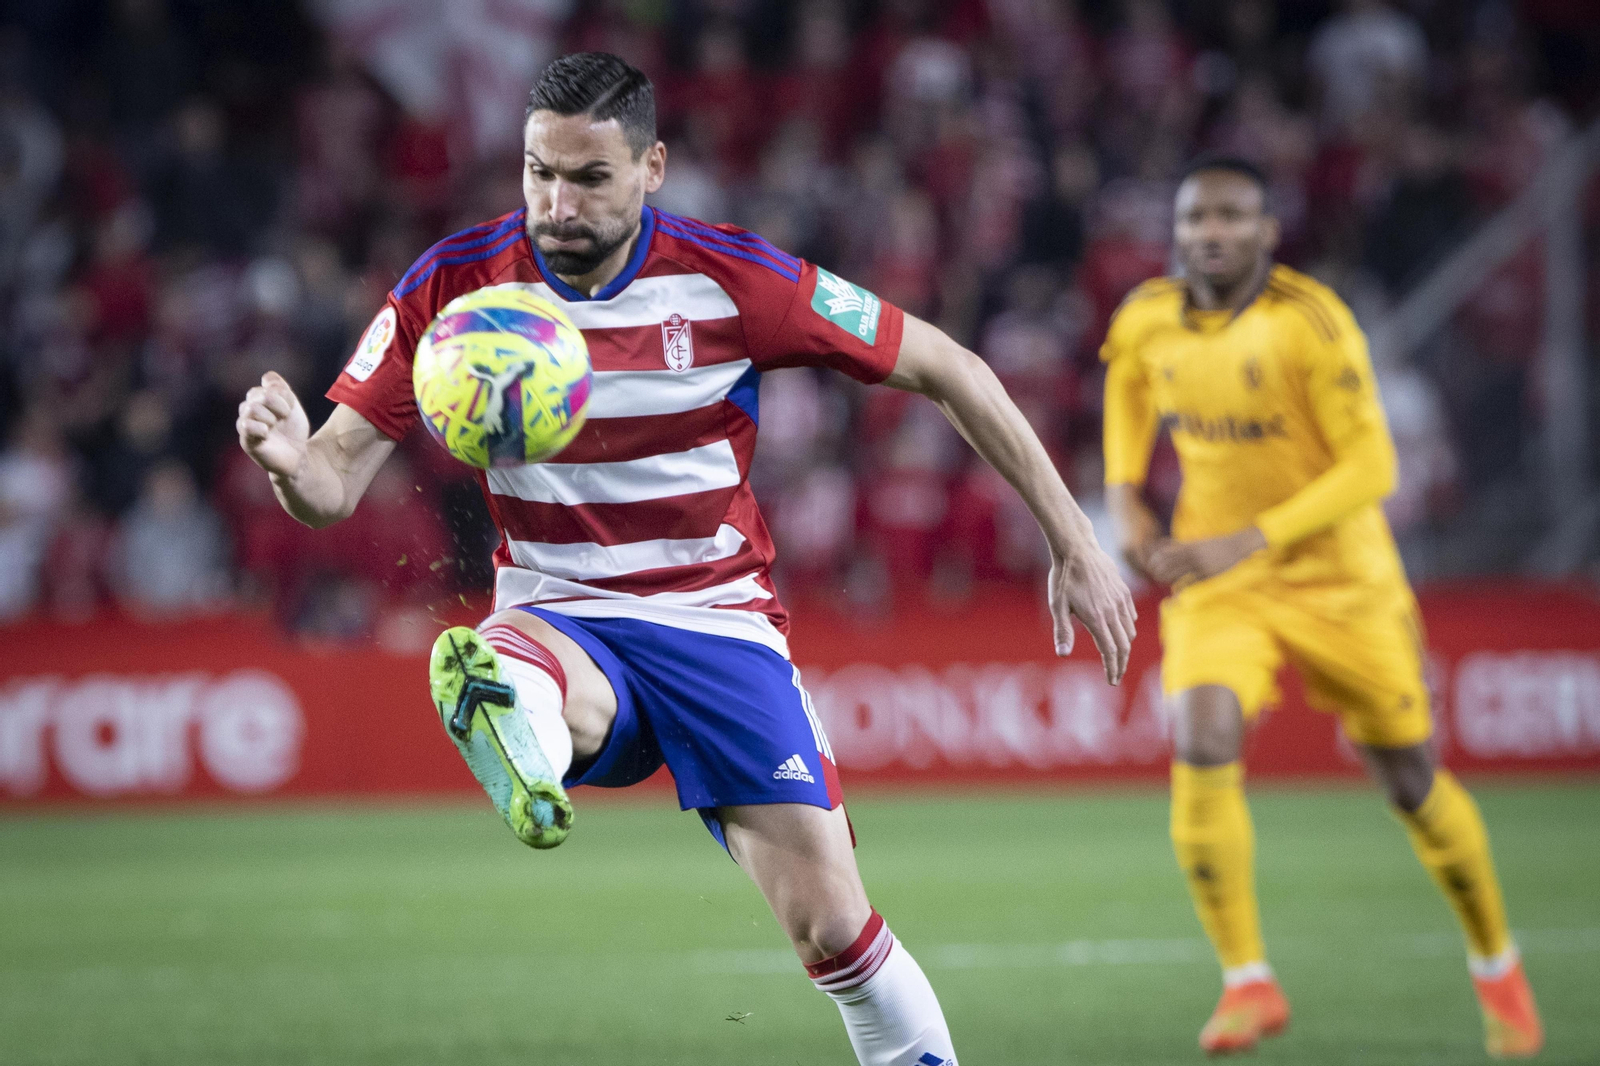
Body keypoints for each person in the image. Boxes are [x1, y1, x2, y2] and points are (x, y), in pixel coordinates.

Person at [237, 52, 1135, 1066]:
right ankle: (518, 727)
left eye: (589, 178)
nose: (556, 204)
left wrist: (1073, 538)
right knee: (518, 663)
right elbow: (329, 485)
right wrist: (288, 463)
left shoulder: (732, 279)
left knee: (832, 927)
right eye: (539, 173)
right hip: (560, 611)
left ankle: (526, 728)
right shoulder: (454, 287)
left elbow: (947, 364)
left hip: (714, 620)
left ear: (651, 168)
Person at [1100, 156, 1543, 1058]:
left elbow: (1373, 467)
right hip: (1224, 582)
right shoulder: (1146, 318)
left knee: (1409, 779)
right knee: (1201, 736)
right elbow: (1128, 397)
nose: (1210, 233)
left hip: (1342, 580)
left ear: (1268, 232)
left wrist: (1247, 539)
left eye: (1231, 216)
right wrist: (1126, 503)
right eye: (1195, 218)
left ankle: (1497, 965)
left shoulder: (1310, 321)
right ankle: (1247, 983)